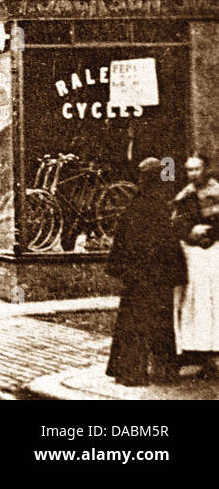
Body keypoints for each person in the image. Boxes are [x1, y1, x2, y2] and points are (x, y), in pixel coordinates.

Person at [106, 157, 188, 385]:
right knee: (161, 323)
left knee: (132, 323)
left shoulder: (134, 207)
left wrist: (123, 271)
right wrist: (176, 273)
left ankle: (130, 372)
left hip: (137, 278)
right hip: (158, 278)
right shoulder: (160, 207)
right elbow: (169, 244)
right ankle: (165, 371)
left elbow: (122, 245)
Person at [173, 154, 219, 376]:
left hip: (215, 254)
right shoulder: (185, 195)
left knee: (215, 301)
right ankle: (199, 352)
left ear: (206, 169)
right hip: (195, 256)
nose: (193, 174)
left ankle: (216, 354)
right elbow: (178, 223)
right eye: (189, 170)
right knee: (196, 301)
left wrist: (209, 232)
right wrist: (190, 232)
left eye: (197, 169)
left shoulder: (217, 192)